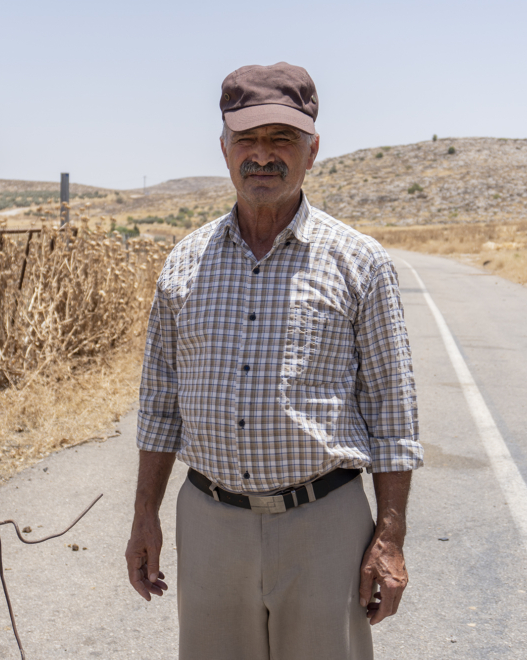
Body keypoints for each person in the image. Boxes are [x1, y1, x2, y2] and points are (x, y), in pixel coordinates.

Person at [124, 62, 423, 660]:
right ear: (224, 148)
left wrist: (389, 537)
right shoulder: (184, 263)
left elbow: (394, 412)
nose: (263, 155)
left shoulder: (359, 262)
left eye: (282, 139)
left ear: (312, 150)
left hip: (324, 522)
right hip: (210, 521)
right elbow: (160, 406)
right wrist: (144, 518)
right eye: (247, 139)